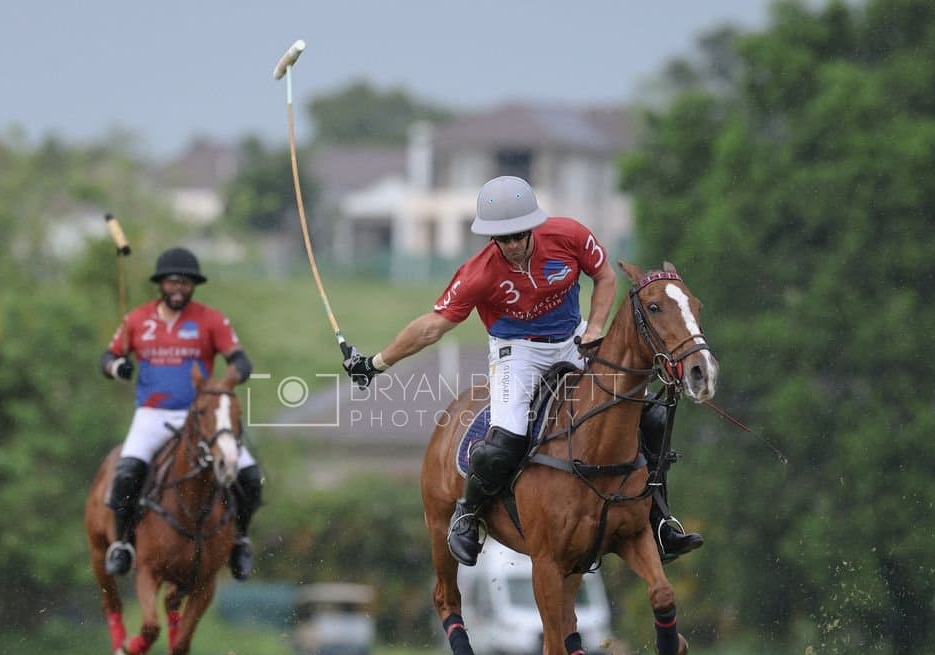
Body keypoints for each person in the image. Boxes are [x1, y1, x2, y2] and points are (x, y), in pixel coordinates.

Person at [341, 176, 703, 567]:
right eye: (503, 238)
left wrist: (595, 328)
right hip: (518, 352)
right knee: (505, 439)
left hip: (573, 337)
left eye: (519, 235)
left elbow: (604, 277)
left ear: (533, 226)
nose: (512, 245)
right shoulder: (478, 272)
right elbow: (433, 325)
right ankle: (468, 514)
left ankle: (660, 519)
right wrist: (377, 363)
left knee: (650, 415)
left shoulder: (569, 236)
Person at [99, 246, 263, 579]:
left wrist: (234, 375)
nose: (179, 289)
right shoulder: (137, 319)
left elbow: (240, 359)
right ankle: (123, 544)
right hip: (152, 415)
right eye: (173, 282)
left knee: (250, 477)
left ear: (193, 287)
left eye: (186, 283)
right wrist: (118, 367)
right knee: (126, 474)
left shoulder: (210, 319)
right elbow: (107, 358)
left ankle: (240, 540)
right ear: (161, 283)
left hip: (201, 418)